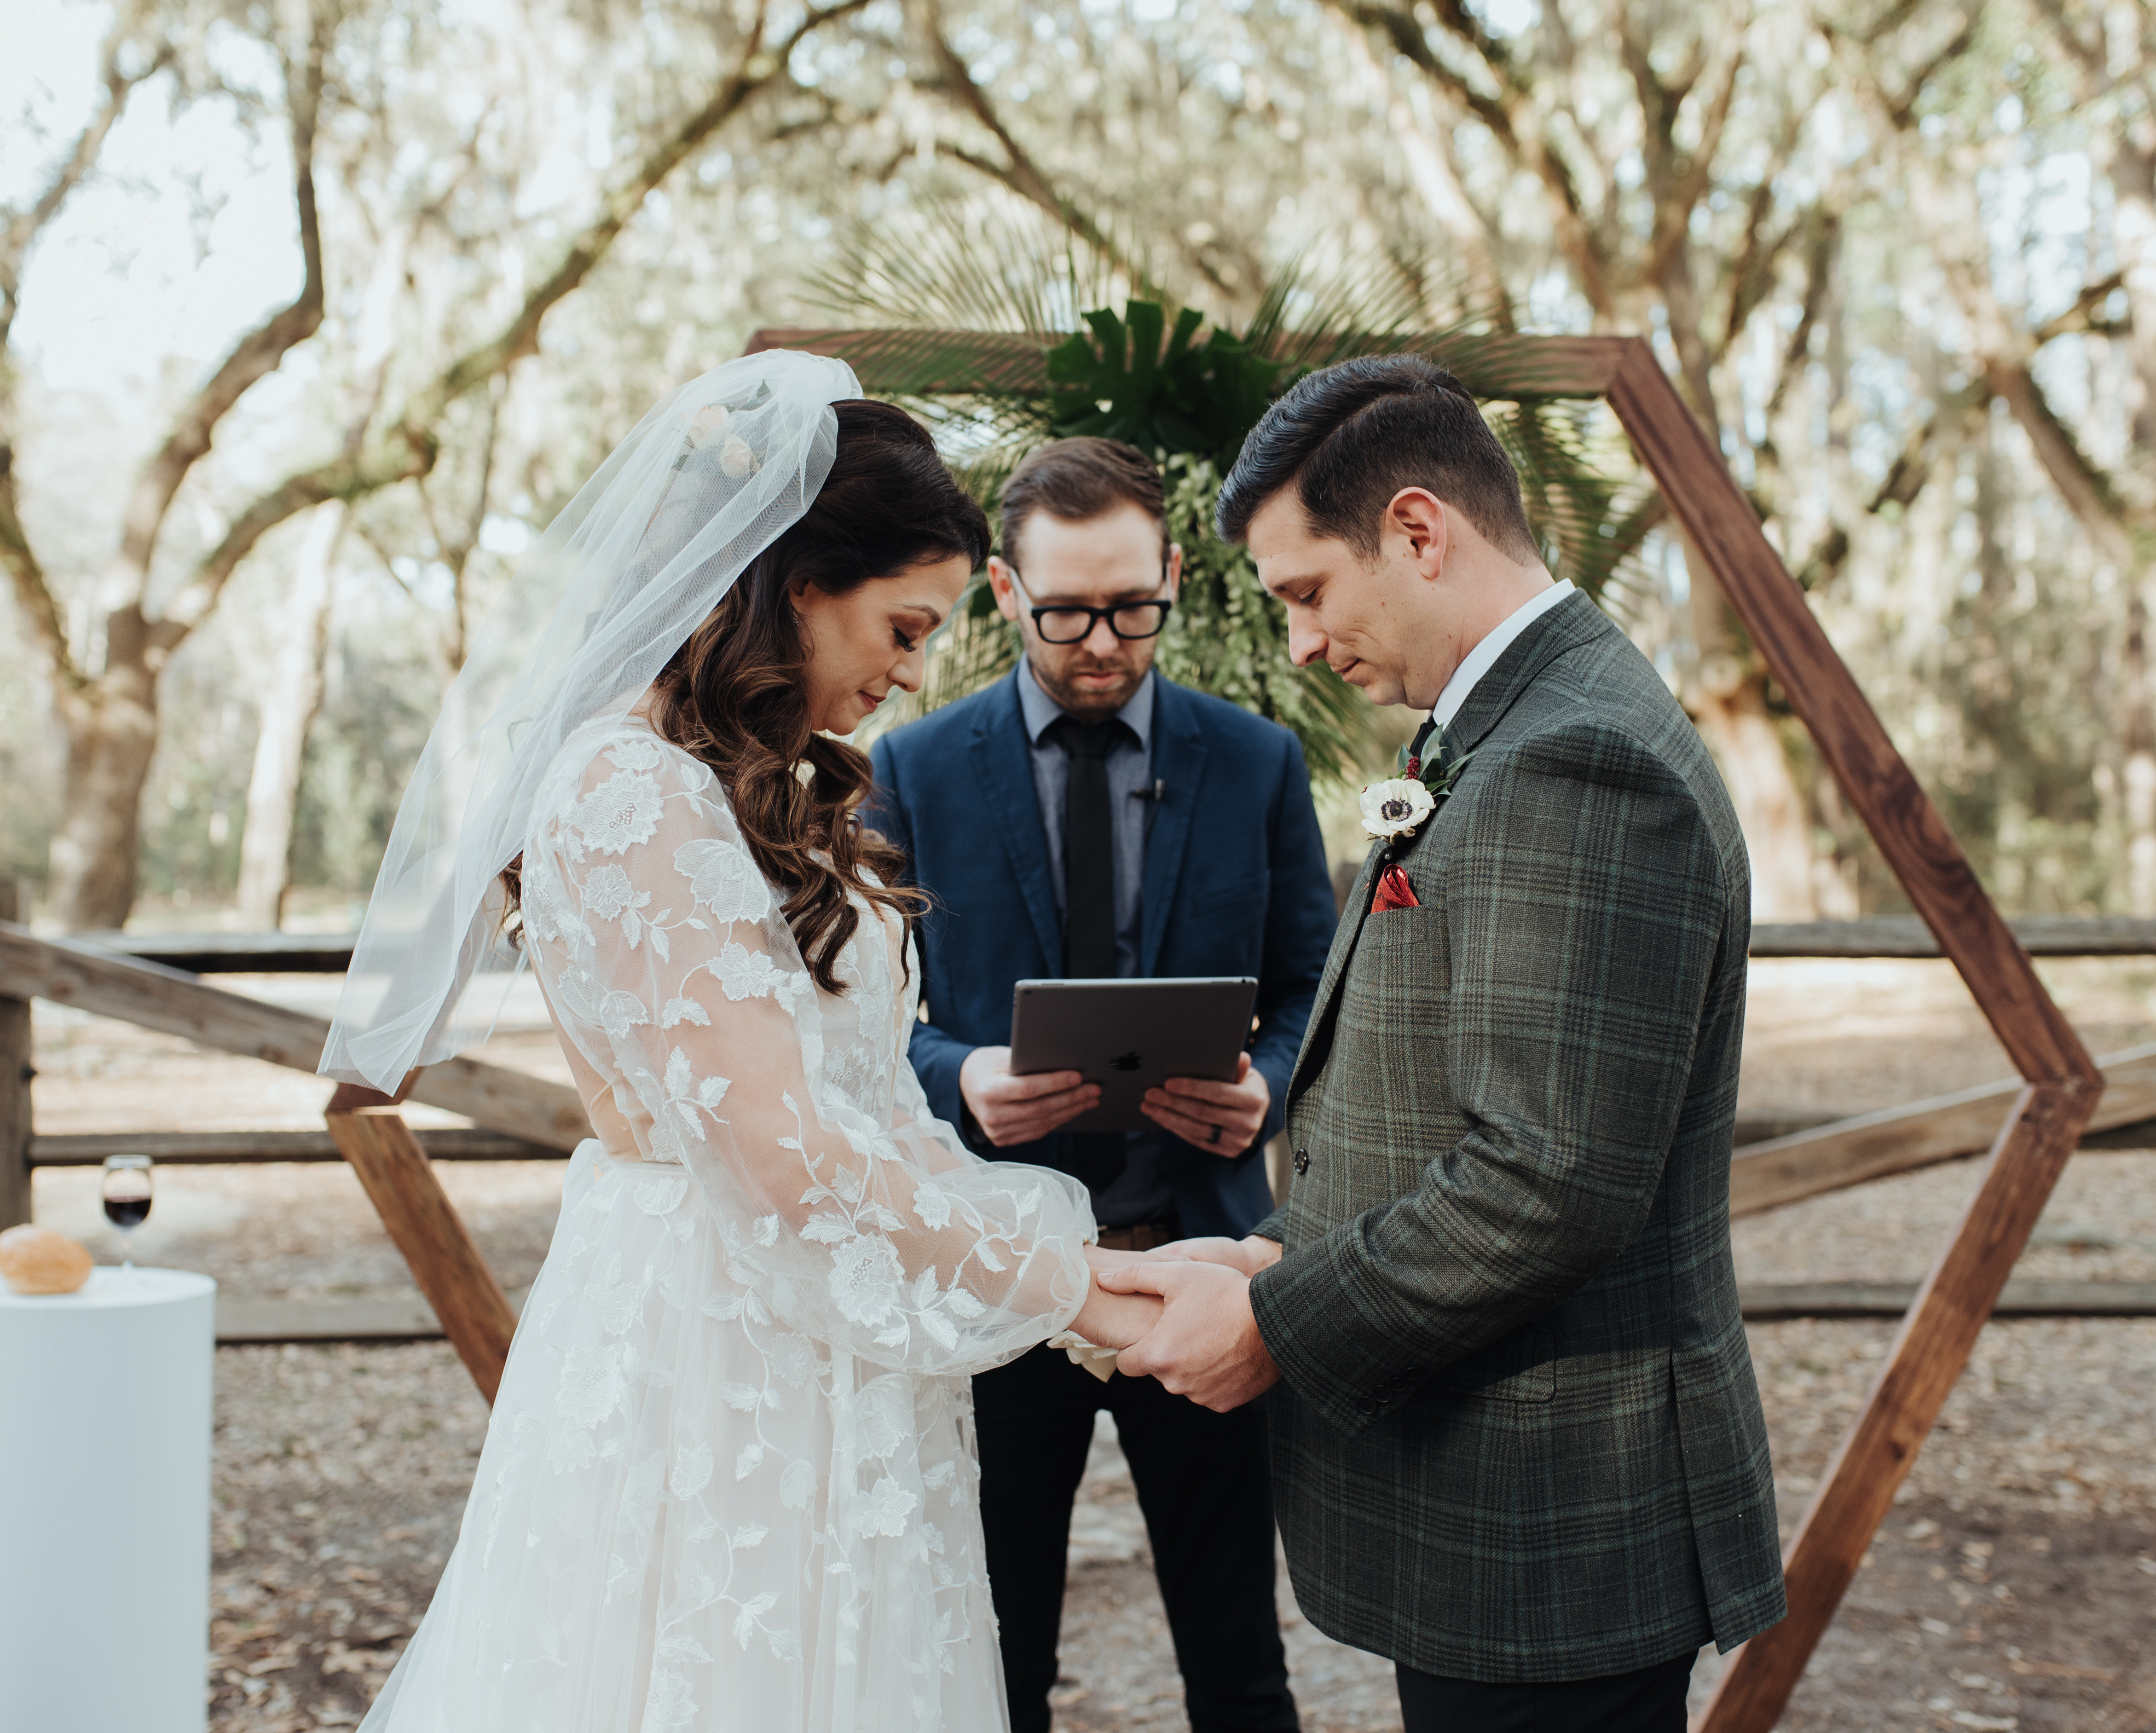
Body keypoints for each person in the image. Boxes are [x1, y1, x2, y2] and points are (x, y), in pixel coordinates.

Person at [320, 352, 1163, 1733]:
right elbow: (784, 1159)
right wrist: (1068, 1287)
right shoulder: (626, 787)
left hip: (824, 1321)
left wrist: (1083, 1265)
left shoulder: (754, 787)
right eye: (901, 626)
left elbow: (867, 1114)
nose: (909, 670)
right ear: (795, 582)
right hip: (715, 1343)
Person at [1098, 356, 1788, 1733]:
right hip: (1492, 1494)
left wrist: (1277, 1323)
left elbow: (1547, 1175)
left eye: (1305, 593)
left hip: (1553, 1511)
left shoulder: (1578, 759)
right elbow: (1428, 1093)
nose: (1297, 643)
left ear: (1415, 532)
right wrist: (1275, 1250)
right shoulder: (1498, 730)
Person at [867, 437, 1335, 1733]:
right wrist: (961, 1076)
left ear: (1174, 576)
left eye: (1134, 609)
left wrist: (1269, 1089)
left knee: (1239, 1659)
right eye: (1066, 612)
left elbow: (1312, 987)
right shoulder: (908, 769)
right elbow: (849, 1028)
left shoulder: (1256, 763)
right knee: (992, 1654)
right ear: (1006, 595)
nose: (1100, 644)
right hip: (993, 1275)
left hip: (1204, 1263)